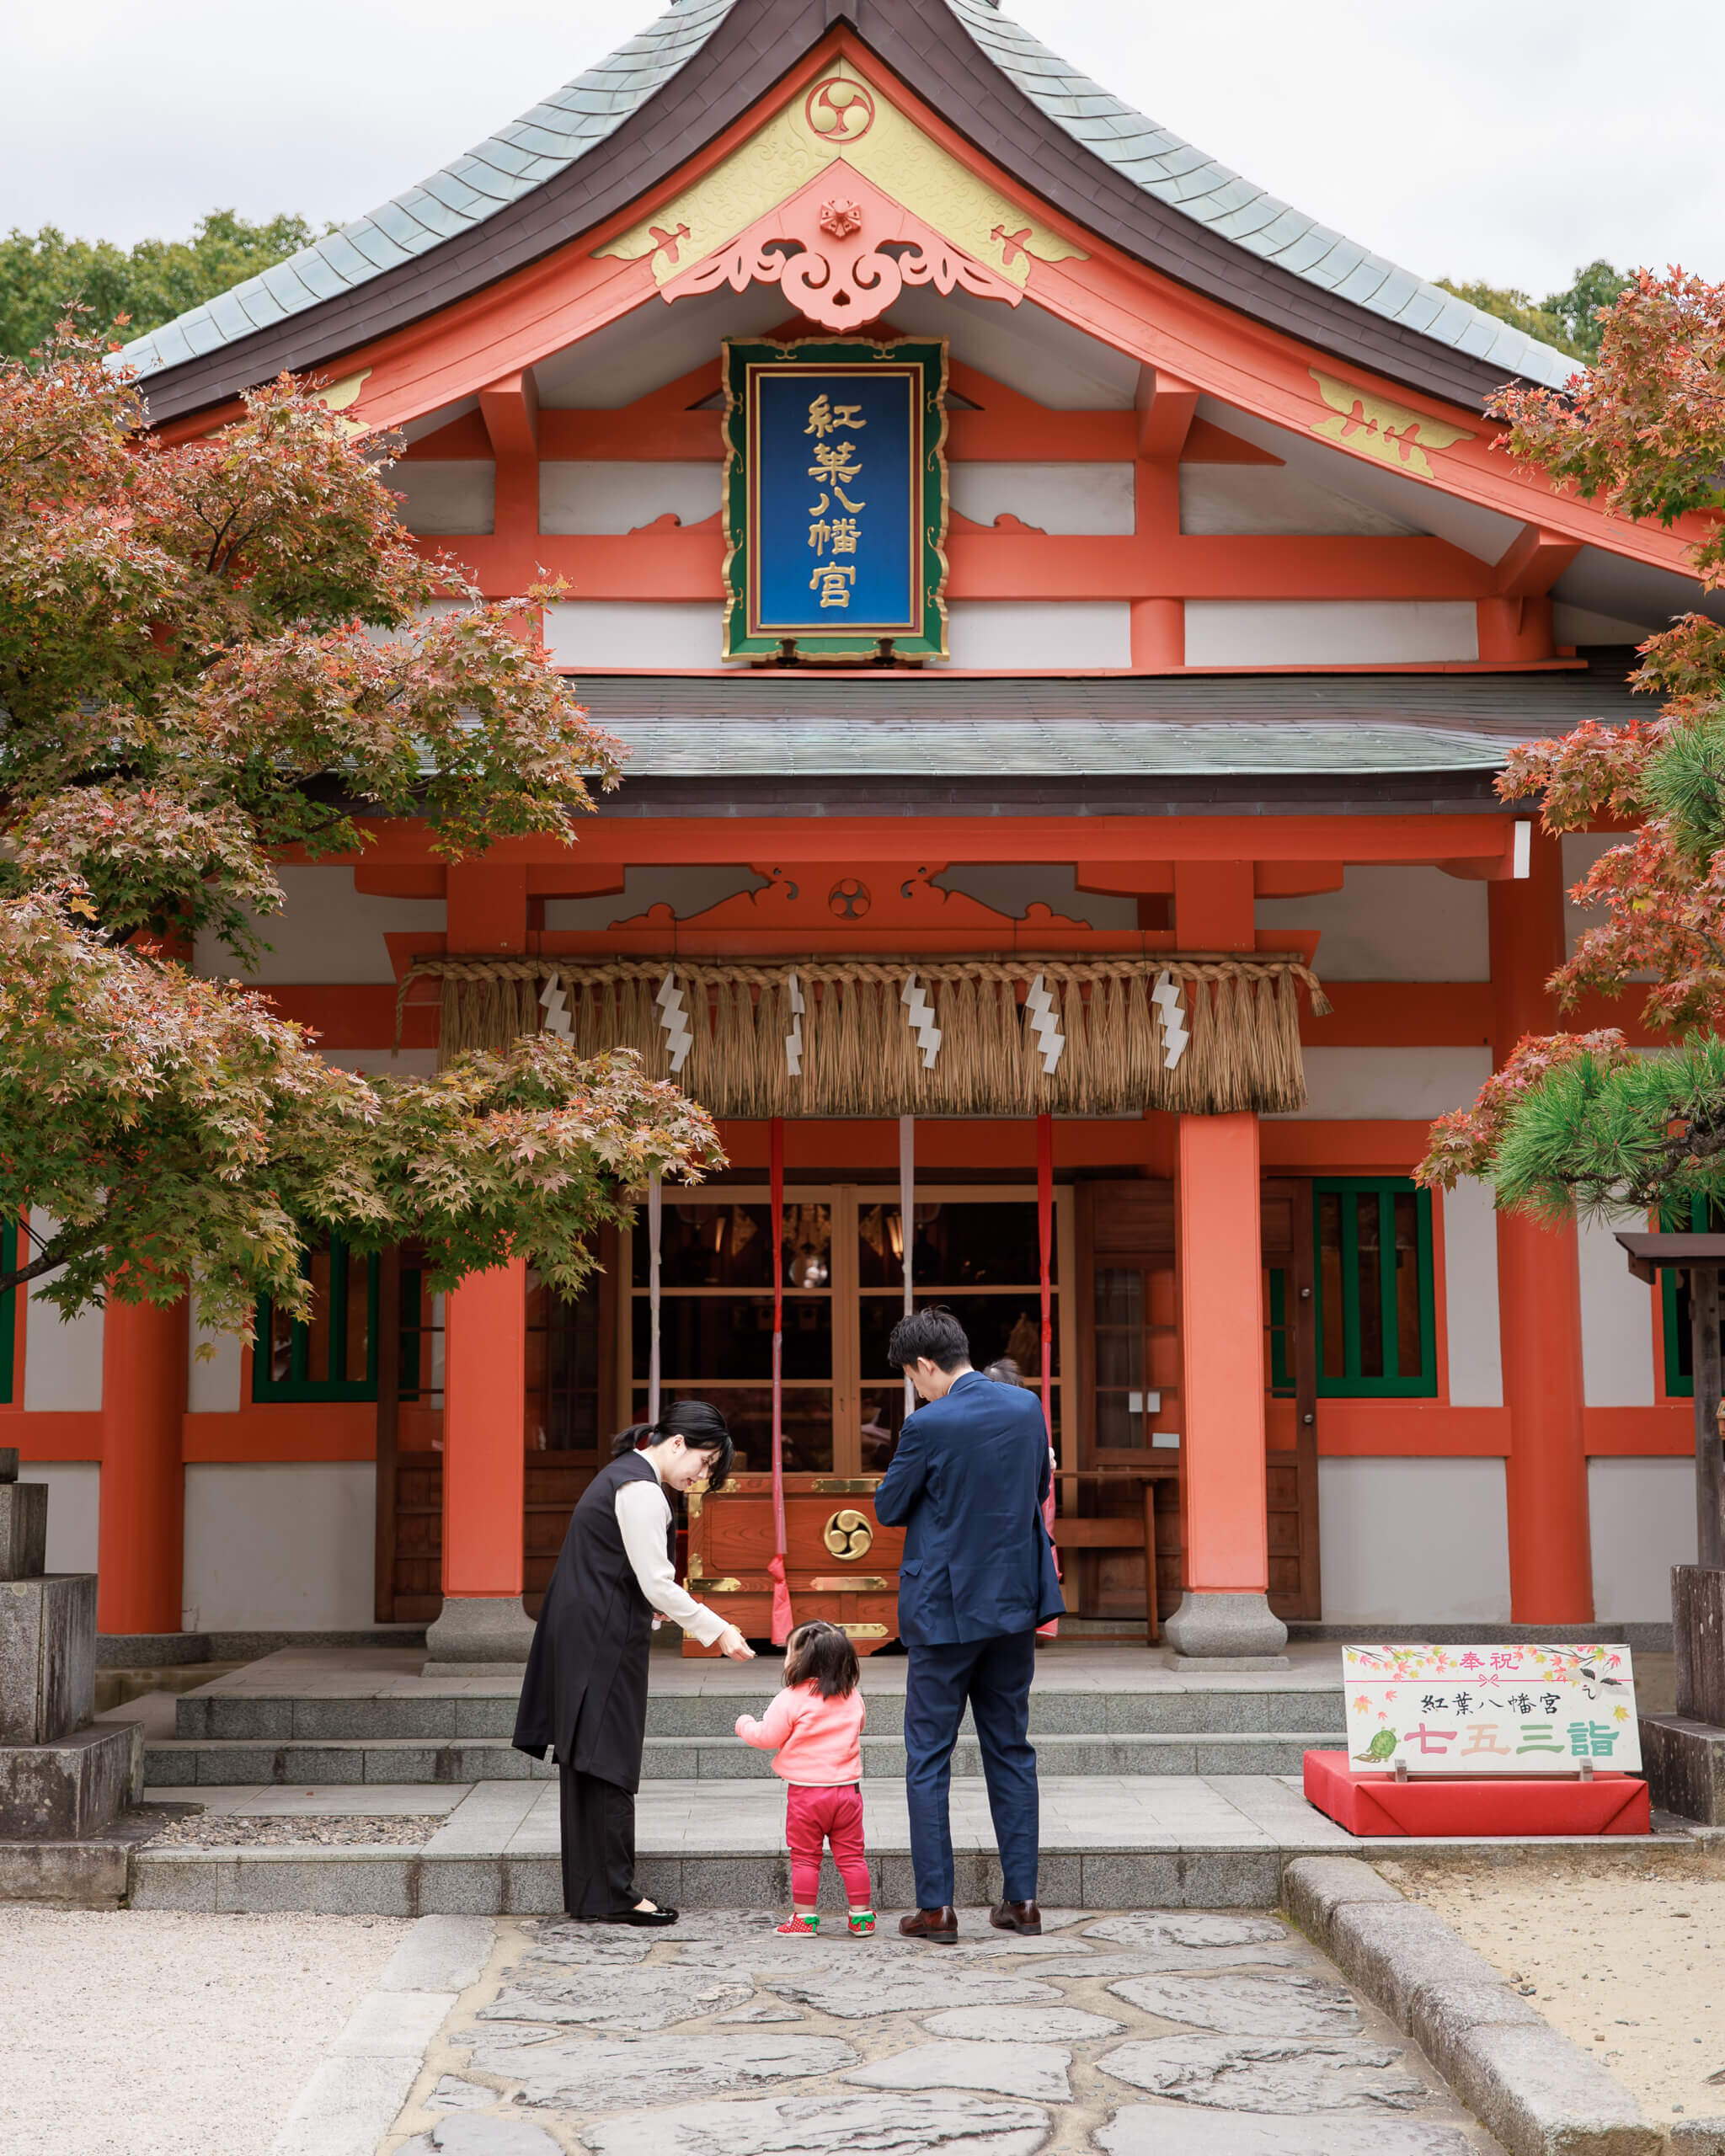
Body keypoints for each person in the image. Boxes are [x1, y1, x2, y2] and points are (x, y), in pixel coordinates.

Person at [514, 1401, 755, 1926]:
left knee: (590, 1763)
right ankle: (614, 1895)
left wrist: (649, 1608)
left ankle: (595, 1894)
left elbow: (625, 1573)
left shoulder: (624, 1476)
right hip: (599, 1644)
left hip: (586, 1636)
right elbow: (656, 1582)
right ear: (676, 1444)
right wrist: (718, 1630)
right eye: (706, 1462)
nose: (701, 1475)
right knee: (608, 1763)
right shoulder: (643, 1490)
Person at [873, 1306, 1064, 1942]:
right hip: (1013, 1604)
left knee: (928, 1757)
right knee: (1010, 1749)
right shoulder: (1027, 1407)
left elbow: (891, 1505)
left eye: (912, 1377)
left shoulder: (928, 1424)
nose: (916, 1389)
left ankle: (937, 1909)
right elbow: (1037, 1487)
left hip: (944, 1610)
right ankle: (1024, 1902)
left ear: (926, 1365)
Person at [734, 1618, 874, 1937]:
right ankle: (862, 1916)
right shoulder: (851, 1695)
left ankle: (804, 1919)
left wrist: (744, 1724)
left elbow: (767, 1736)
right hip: (847, 1793)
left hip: (806, 1796)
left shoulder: (792, 1697)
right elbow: (859, 1726)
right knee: (852, 1856)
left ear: (800, 1660)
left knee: (805, 1858)